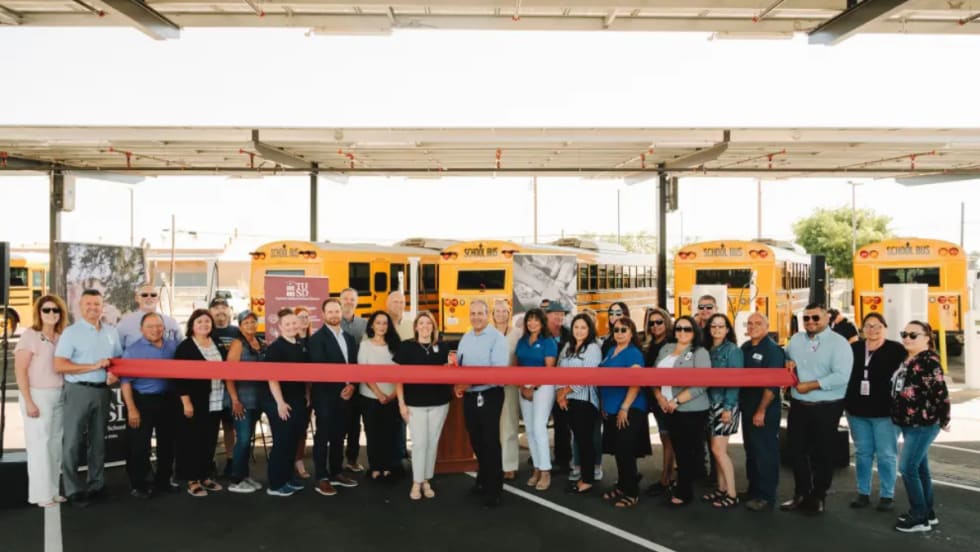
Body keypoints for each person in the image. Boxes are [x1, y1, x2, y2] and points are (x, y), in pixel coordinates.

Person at [781, 303, 853, 515]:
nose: (810, 322)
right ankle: (801, 493)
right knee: (796, 451)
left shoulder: (839, 343)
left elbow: (841, 376)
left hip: (827, 407)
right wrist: (787, 363)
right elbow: (786, 359)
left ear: (827, 318)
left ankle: (818, 496)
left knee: (823, 453)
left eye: (815, 318)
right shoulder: (795, 340)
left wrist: (811, 385)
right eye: (806, 318)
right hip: (799, 406)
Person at [54, 289, 122, 508]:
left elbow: (118, 361)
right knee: (72, 442)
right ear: (80, 307)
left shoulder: (112, 332)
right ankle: (73, 490)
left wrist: (114, 374)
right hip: (78, 391)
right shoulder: (71, 333)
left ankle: (97, 485)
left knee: (98, 441)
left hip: (103, 391)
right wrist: (92, 366)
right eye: (88, 304)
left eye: (97, 304)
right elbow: (60, 365)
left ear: (103, 306)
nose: (93, 308)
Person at [892, 321, 951, 533]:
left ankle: (919, 517)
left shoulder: (929, 361)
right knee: (920, 468)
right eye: (904, 333)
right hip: (909, 423)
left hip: (923, 423)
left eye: (913, 335)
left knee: (907, 468)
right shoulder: (909, 359)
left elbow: (941, 393)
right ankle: (927, 512)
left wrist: (943, 419)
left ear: (927, 337)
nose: (907, 338)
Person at [844, 312, 905, 511]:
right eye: (868, 326)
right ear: (862, 329)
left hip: (885, 414)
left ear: (885, 328)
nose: (873, 330)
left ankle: (887, 495)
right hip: (857, 412)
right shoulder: (853, 349)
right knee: (863, 454)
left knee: (887, 454)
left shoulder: (896, 349)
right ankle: (863, 493)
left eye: (878, 326)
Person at [454, 299, 510, 508]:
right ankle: (483, 479)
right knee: (475, 440)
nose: (476, 317)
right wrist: (456, 384)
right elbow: (459, 365)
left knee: (490, 441)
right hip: (469, 395)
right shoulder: (466, 337)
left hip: (490, 394)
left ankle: (494, 489)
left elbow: (496, 372)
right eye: (473, 313)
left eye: (480, 313)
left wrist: (467, 383)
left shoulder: (497, 339)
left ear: (488, 315)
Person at [14, 295, 68, 507]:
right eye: (47, 310)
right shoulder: (30, 336)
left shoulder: (61, 336)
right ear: (39, 312)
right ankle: (39, 495)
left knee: (55, 445)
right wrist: (29, 401)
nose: (51, 314)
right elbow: (20, 370)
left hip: (59, 394)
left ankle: (53, 490)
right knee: (39, 446)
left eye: (56, 310)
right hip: (37, 395)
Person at [653, 315, 711, 507]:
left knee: (687, 452)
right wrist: (661, 398)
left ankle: (685, 492)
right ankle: (678, 484)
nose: (682, 332)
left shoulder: (700, 352)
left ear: (694, 332)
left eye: (687, 329)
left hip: (690, 409)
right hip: (667, 407)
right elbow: (652, 376)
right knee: (678, 448)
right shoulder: (666, 349)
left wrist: (676, 400)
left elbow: (702, 383)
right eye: (679, 328)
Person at [120, 313, 179, 499]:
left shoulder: (173, 346)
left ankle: (163, 481)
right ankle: (139, 484)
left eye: (159, 326)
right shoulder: (132, 351)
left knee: (167, 444)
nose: (155, 330)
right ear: (141, 329)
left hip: (168, 400)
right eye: (150, 326)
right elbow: (125, 382)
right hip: (142, 401)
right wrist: (131, 408)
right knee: (140, 445)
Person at [395, 311, 451, 500]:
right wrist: (401, 404)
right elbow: (398, 378)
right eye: (422, 323)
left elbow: (449, 372)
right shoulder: (406, 347)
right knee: (419, 443)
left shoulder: (442, 347)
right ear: (416, 326)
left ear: (433, 327)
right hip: (414, 404)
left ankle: (427, 479)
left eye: (429, 323)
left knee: (432, 443)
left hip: (439, 403)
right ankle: (416, 482)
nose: (425, 326)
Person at [308, 298, 360, 497]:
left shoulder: (348, 338)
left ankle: (337, 472)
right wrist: (342, 387)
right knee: (323, 437)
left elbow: (353, 365)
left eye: (337, 311)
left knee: (339, 436)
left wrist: (352, 385)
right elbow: (322, 369)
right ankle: (321, 477)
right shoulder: (316, 339)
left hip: (347, 395)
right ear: (323, 315)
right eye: (330, 312)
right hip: (325, 397)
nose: (334, 315)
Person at [598, 316, 649, 508]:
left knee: (626, 451)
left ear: (631, 333)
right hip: (610, 408)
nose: (619, 333)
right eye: (616, 330)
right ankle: (622, 485)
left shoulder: (634, 354)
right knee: (618, 451)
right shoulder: (611, 350)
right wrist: (604, 404)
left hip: (629, 409)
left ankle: (631, 493)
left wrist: (624, 408)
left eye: (624, 330)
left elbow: (635, 382)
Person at [174, 309, 225, 498]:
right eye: (199, 322)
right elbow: (179, 379)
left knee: (209, 441)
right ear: (192, 325)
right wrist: (186, 403)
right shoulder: (185, 347)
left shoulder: (217, 343)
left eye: (207, 321)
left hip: (216, 401)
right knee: (191, 442)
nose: (204, 324)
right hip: (194, 402)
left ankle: (204, 476)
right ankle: (191, 480)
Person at [263, 309, 311, 497]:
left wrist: (307, 394)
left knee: (292, 441)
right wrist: (280, 403)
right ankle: (275, 484)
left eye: (294, 323)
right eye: (288, 324)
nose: (292, 327)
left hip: (298, 400)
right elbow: (272, 378)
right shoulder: (276, 348)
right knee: (282, 442)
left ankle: (289, 477)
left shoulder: (300, 344)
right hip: (281, 402)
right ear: (280, 327)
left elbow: (305, 373)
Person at [740, 313, 785, 512]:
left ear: (767, 326)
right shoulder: (745, 348)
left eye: (758, 323)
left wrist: (761, 411)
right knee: (751, 450)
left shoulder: (773, 351)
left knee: (765, 451)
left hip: (764, 410)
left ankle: (766, 496)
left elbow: (772, 386)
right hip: (747, 407)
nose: (753, 327)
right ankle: (754, 490)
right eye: (750, 324)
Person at [555, 313, 602, 494]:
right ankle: (582, 474)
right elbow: (559, 370)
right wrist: (560, 393)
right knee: (578, 439)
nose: (579, 331)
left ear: (589, 329)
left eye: (583, 327)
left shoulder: (593, 348)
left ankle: (588, 479)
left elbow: (588, 375)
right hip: (568, 401)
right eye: (576, 327)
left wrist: (565, 391)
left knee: (585, 441)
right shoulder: (568, 346)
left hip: (585, 401)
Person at [224, 310, 268, 494]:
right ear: (240, 325)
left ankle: (245, 475)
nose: (250, 325)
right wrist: (234, 399)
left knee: (248, 439)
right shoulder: (237, 344)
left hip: (257, 400)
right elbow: (229, 374)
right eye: (246, 322)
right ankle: (235, 479)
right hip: (241, 399)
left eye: (253, 322)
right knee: (242, 440)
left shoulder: (260, 342)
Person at [515, 308, 558, 491]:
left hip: (543, 388)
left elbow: (549, 368)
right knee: (530, 430)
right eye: (529, 320)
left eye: (535, 320)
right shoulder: (522, 341)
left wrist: (533, 387)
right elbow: (517, 365)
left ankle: (546, 470)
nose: (532, 323)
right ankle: (537, 468)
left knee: (540, 427)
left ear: (542, 322)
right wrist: (522, 387)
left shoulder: (548, 341)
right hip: (524, 388)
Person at [704, 313, 743, 509]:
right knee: (716, 450)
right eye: (713, 326)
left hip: (725, 405)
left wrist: (728, 408)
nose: (717, 329)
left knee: (719, 451)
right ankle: (721, 489)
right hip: (710, 404)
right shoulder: (708, 349)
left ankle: (732, 493)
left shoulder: (732, 350)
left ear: (728, 329)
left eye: (721, 326)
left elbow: (735, 381)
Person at [358, 310, 402, 480]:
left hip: (393, 397)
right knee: (373, 433)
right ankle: (376, 467)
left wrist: (391, 395)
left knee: (390, 433)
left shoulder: (396, 345)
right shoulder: (365, 345)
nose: (382, 326)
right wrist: (378, 393)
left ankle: (389, 467)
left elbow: (401, 371)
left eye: (385, 323)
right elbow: (364, 372)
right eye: (378, 323)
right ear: (372, 325)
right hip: (370, 397)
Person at [643, 307, 676, 497]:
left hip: (666, 398)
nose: (655, 326)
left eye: (659, 322)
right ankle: (668, 476)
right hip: (654, 399)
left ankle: (667, 478)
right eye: (651, 323)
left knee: (668, 438)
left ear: (666, 322)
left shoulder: (671, 344)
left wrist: (661, 397)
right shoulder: (650, 345)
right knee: (665, 438)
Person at [208, 297, 239, 478]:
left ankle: (230, 460)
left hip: (232, 388)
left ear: (230, 311)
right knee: (211, 427)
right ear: (210, 311)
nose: (220, 311)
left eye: (224, 307)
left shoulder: (237, 332)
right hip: (211, 387)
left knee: (229, 426)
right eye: (216, 308)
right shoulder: (205, 330)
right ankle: (209, 460)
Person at [492, 298, 521, 481]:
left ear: (509, 313)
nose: (501, 314)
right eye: (497, 311)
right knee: (491, 427)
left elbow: (520, 357)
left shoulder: (517, 333)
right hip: (490, 386)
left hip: (510, 386)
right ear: (493, 315)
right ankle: (494, 463)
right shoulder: (488, 334)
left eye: (504, 311)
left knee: (509, 425)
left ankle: (509, 465)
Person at [339, 287, 367, 473]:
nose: (349, 302)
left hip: (359, 381)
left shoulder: (365, 324)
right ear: (340, 301)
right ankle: (334, 461)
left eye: (352, 299)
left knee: (355, 424)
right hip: (337, 381)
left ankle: (352, 458)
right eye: (345, 299)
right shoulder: (333, 323)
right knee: (338, 423)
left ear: (356, 302)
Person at [546, 300, 573, 474]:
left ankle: (563, 458)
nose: (559, 317)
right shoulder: (541, 333)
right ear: (547, 315)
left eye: (562, 314)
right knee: (539, 423)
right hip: (542, 384)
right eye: (555, 313)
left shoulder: (569, 334)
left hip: (562, 385)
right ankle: (538, 456)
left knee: (562, 423)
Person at [117, 283, 181, 350]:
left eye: (153, 295)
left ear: (158, 299)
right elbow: (118, 351)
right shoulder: (125, 323)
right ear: (137, 298)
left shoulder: (171, 323)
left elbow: (181, 348)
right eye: (144, 295)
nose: (149, 297)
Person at [292, 305, 314, 480]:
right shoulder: (291, 340)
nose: (304, 320)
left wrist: (308, 393)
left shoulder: (313, 341)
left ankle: (298, 461)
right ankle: (290, 460)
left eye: (307, 317)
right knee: (291, 429)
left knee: (303, 429)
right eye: (300, 317)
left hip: (310, 393)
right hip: (292, 393)